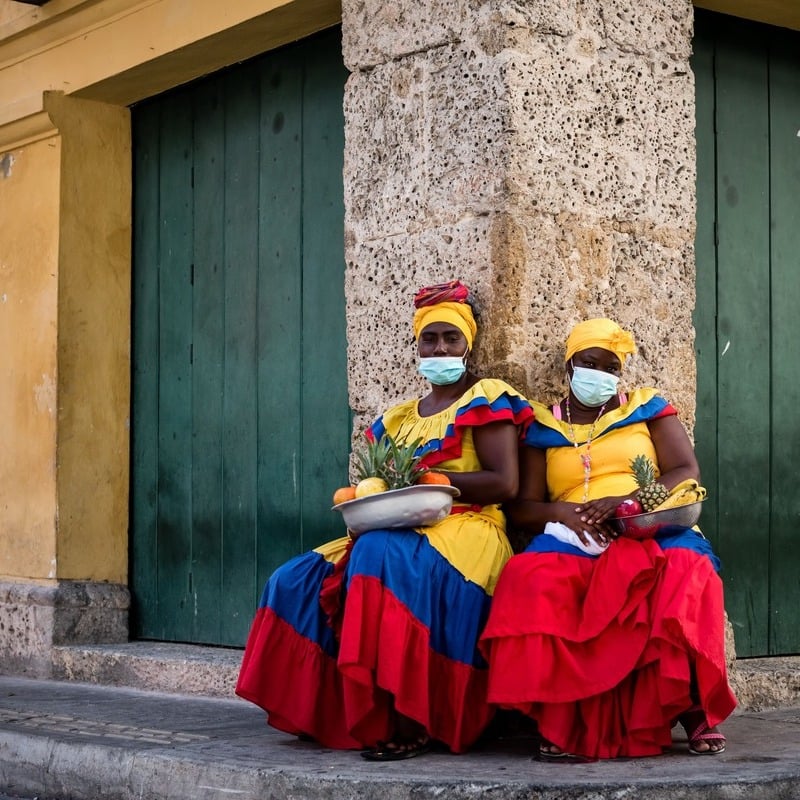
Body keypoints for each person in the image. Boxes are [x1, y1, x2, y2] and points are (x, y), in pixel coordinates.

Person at [236, 280, 533, 759]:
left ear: (468, 344)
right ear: (417, 345)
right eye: (429, 339)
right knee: (294, 578)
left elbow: (505, 483)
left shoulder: (486, 398)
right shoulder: (397, 419)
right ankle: (331, 709)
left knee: (375, 554)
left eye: (450, 339)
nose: (439, 348)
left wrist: (429, 478)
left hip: (469, 525)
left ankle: (408, 717)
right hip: (402, 524)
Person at [479, 318, 737, 760]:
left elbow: (684, 471)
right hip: (573, 533)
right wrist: (564, 512)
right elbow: (523, 507)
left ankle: (692, 705)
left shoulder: (645, 408)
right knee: (530, 577)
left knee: (688, 572)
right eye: (589, 362)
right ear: (569, 366)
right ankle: (562, 718)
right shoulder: (543, 427)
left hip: (646, 523)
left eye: (610, 367)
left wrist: (628, 500)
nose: (600, 373)